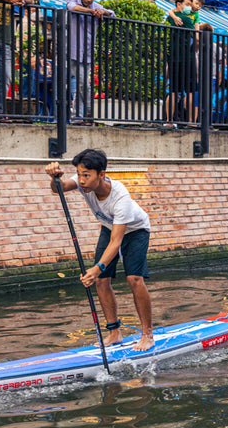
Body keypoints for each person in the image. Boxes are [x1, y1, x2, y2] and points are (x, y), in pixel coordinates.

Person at [46, 149, 154, 351]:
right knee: (101, 280)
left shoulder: (120, 197)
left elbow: (116, 241)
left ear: (101, 174)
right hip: (109, 227)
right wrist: (54, 177)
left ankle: (147, 334)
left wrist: (97, 267)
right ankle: (114, 333)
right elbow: (58, 189)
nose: (81, 180)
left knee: (134, 279)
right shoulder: (83, 182)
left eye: (86, 175)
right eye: (79, 174)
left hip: (136, 230)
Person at [66, 0, 115, 125]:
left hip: (87, 52)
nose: (89, 0)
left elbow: (112, 14)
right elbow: (72, 7)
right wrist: (91, 12)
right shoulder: (73, 0)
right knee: (84, 84)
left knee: (81, 85)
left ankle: (76, 117)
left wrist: (103, 12)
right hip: (73, 50)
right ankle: (89, 113)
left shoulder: (96, 6)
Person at [164, 0, 196, 124]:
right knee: (190, 91)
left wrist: (172, 14)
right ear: (179, 4)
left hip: (173, 58)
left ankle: (169, 121)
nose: (190, 7)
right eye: (187, 4)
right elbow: (195, 36)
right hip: (187, 58)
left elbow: (170, 13)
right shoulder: (186, 20)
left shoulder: (169, 19)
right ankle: (190, 121)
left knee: (173, 91)